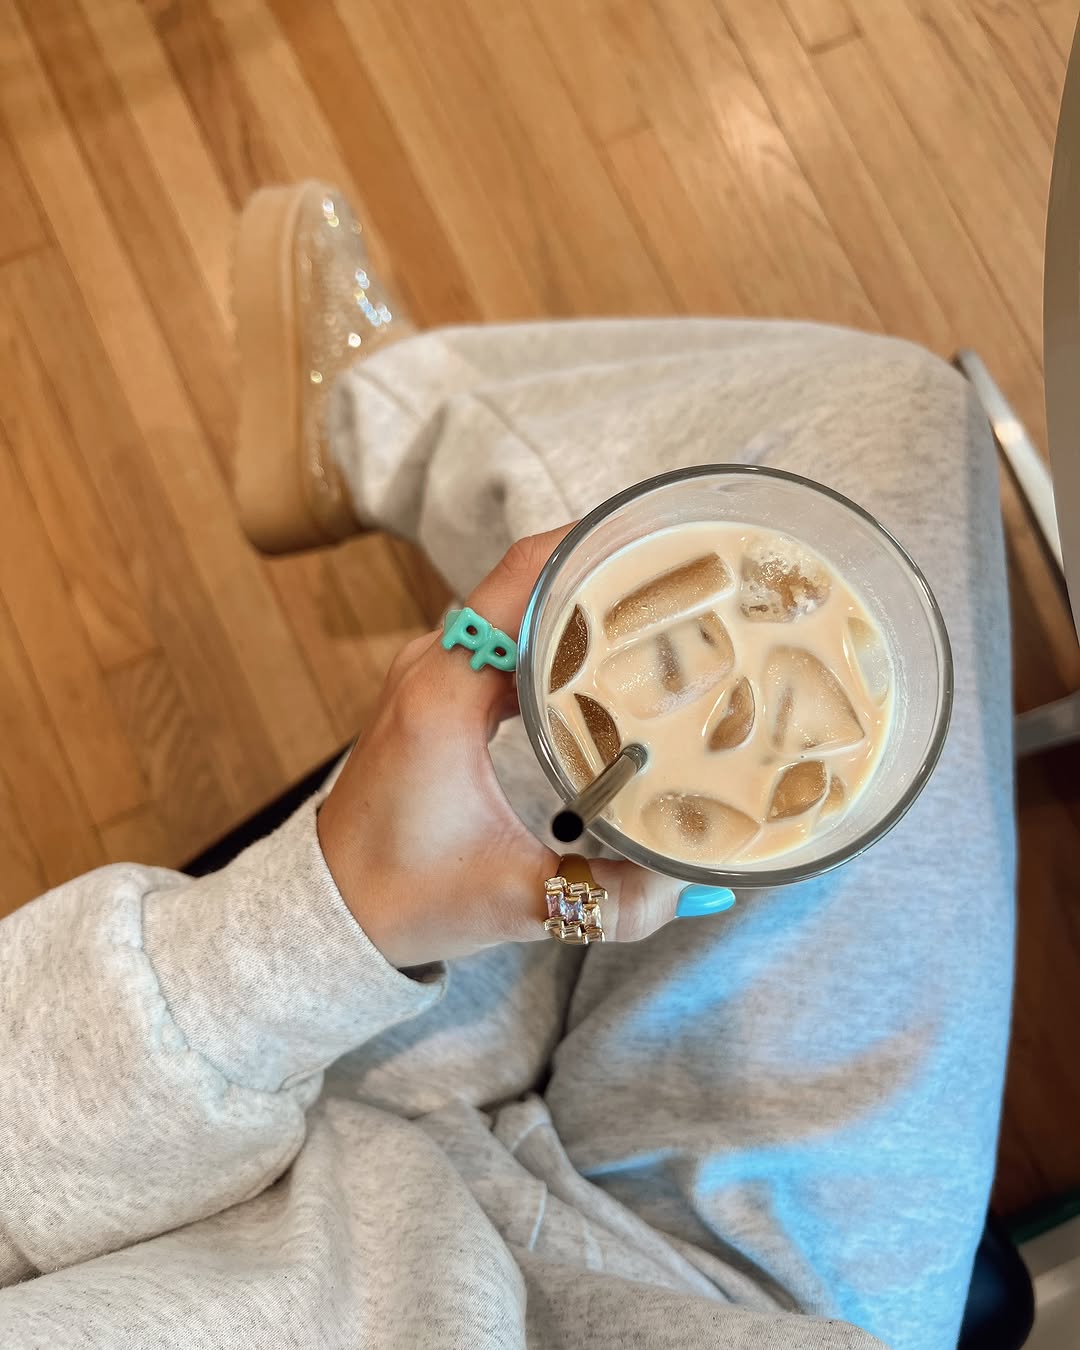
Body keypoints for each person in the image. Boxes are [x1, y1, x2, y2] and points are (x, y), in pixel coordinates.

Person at [0, 182, 1015, 1350]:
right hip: (737, 1307)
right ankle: (374, 420)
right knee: (886, 422)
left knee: (882, 426)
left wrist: (316, 926)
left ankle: (368, 419)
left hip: (279, 1160)